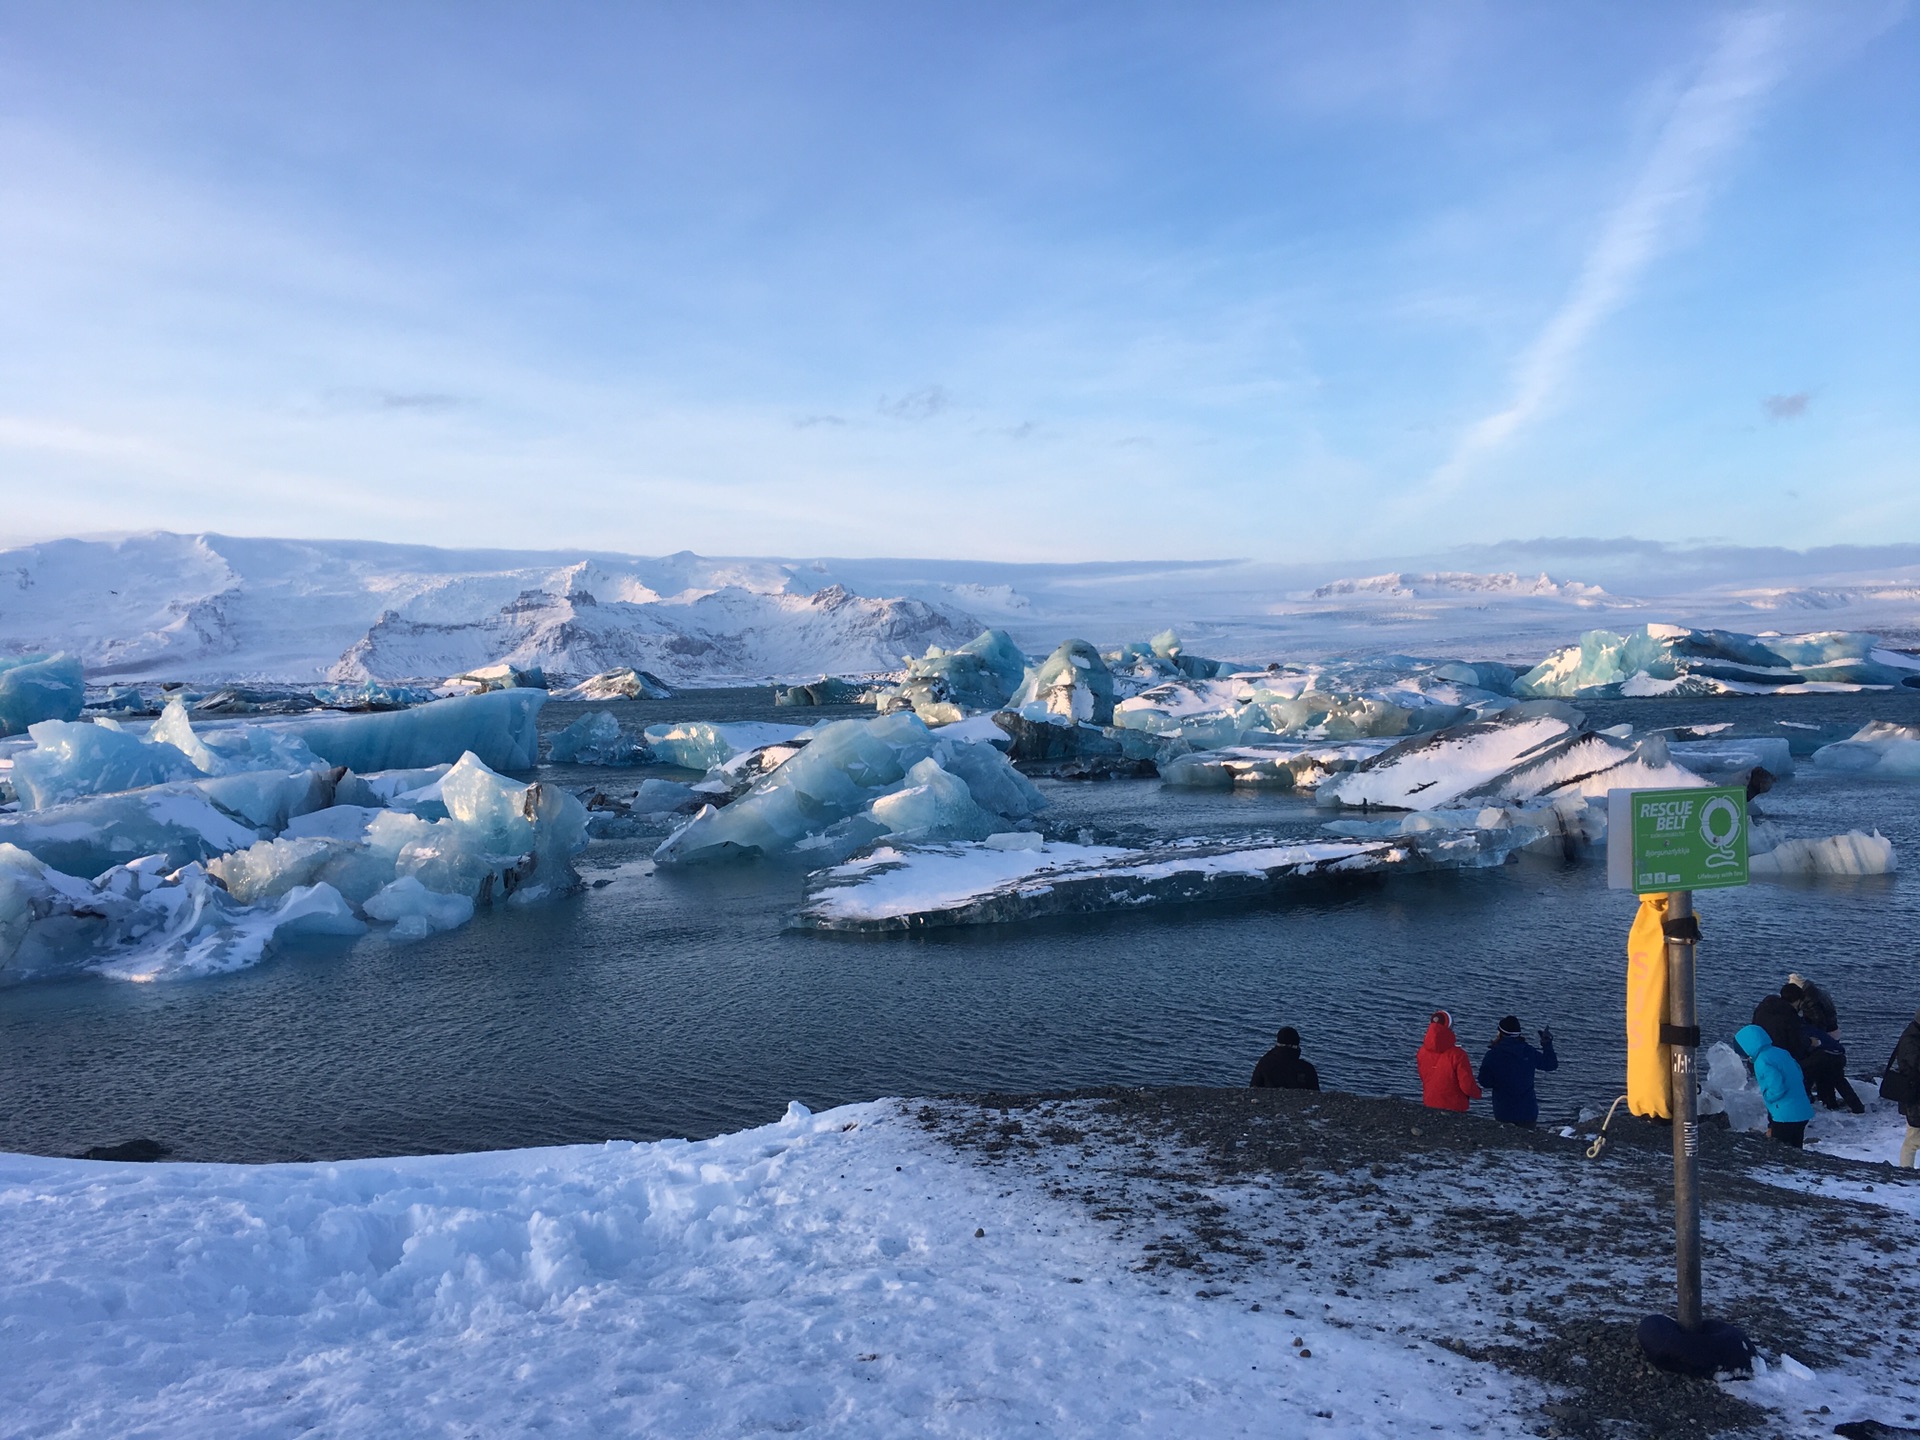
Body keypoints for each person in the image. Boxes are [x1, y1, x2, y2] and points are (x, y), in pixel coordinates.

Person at [1784, 979, 1864, 1113]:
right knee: (1833, 1076)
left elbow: (1818, 1021)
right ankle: (1845, 1105)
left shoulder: (1809, 1000)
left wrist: (1814, 1040)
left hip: (1824, 1042)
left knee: (1812, 1072)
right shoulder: (1818, 992)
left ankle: (1817, 1102)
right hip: (1832, 1042)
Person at [1734, 1022, 1814, 1147]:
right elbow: (1799, 1073)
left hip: (1785, 1115)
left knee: (1780, 1149)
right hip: (1802, 1111)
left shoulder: (1762, 1061)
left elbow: (1777, 1087)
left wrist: (1767, 1096)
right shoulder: (1781, 1052)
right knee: (1796, 1148)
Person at [1477, 1016, 1557, 1126]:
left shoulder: (1493, 1054)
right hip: (1528, 1112)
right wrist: (1547, 1044)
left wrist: (1499, 1082)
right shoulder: (1528, 1051)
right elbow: (1551, 1065)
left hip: (1503, 1111)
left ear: (1500, 1033)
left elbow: (1484, 1082)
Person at [1418, 1009, 1482, 1112]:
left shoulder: (1422, 1051)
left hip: (1429, 1101)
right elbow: (1467, 1085)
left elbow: (1423, 1077)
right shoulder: (1458, 1055)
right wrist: (1478, 1093)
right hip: (1454, 1106)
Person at [1883, 1008, 1920, 1168]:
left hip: (1914, 1094)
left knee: (1913, 1137)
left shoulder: (1912, 1035)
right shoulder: (1911, 1040)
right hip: (1915, 1096)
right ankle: (1905, 1171)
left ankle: (1906, 1171)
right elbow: (1913, 1067)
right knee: (1913, 1139)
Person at [1751, 990, 1812, 1064]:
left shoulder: (1762, 1008)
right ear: (1797, 1001)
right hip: (1780, 1059)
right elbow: (1796, 1044)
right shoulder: (1791, 1016)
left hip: (1758, 1057)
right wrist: (1810, 1042)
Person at [1251, 1026, 1320, 1090]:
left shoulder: (1264, 1063)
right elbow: (1316, 1095)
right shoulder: (1307, 1068)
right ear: (1294, 1046)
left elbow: (1253, 1088)